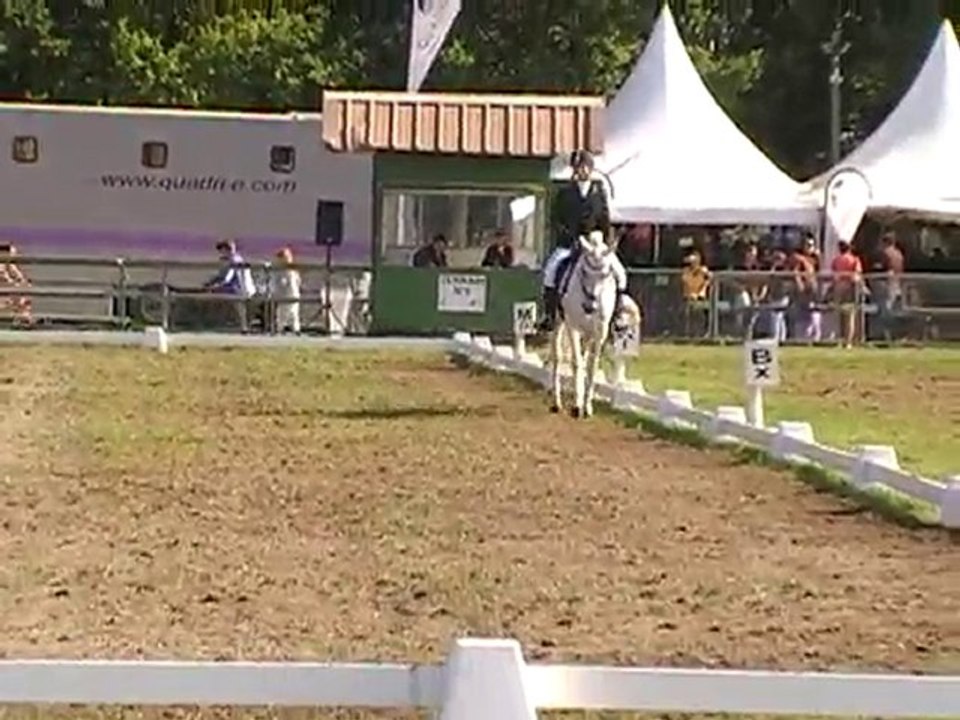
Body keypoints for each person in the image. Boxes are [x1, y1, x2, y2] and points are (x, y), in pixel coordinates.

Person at [538, 149, 628, 331]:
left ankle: (618, 314)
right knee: (550, 272)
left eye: (585, 167)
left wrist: (606, 243)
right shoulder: (565, 193)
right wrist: (573, 238)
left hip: (596, 244)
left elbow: (605, 219)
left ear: (591, 169)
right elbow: (557, 219)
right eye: (579, 167)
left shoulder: (599, 191)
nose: (582, 171)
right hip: (571, 243)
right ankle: (549, 315)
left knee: (620, 273)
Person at [205, 239, 257, 332]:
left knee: (238, 306)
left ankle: (243, 327)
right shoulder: (235, 259)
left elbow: (227, 278)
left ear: (226, 250)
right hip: (242, 288)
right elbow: (221, 275)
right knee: (238, 307)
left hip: (241, 289)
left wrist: (215, 286)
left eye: (222, 250)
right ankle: (242, 325)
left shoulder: (234, 261)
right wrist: (211, 282)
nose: (221, 253)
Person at [829, 239, 864, 348]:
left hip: (838, 288)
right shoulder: (854, 260)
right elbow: (857, 274)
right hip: (850, 289)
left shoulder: (836, 260)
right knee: (850, 316)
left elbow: (834, 274)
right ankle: (848, 341)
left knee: (838, 315)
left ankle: (839, 339)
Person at [270, 246, 302, 334]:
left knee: (283, 313)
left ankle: (280, 329)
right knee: (292, 314)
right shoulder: (292, 270)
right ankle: (295, 329)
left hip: (287, 295)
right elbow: (298, 281)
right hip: (292, 294)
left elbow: (283, 283)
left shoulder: (286, 271)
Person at [0, 243, 31, 325]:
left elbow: (21, 280)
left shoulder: (10, 265)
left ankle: (23, 318)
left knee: (22, 292)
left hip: (8, 294)